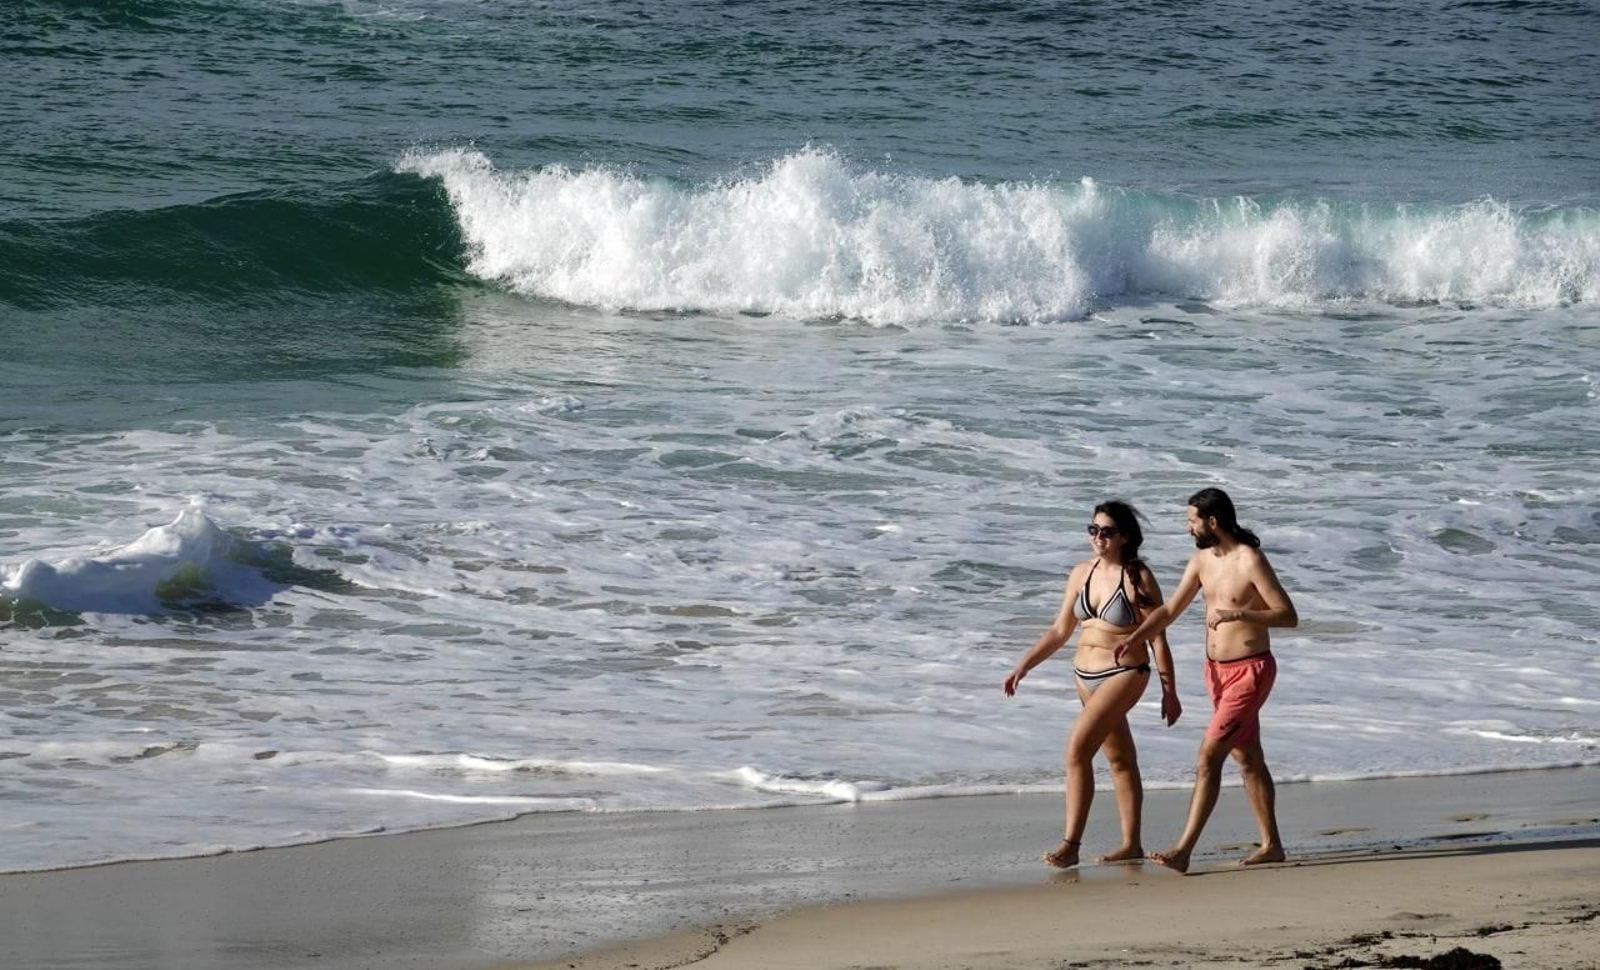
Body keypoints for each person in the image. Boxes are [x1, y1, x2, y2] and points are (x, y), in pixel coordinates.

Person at [1113, 487, 1298, 873]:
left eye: (1192, 521)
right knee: (1248, 759)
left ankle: (1183, 850)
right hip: (1216, 673)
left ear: (1213, 522)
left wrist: (1240, 616)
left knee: (1206, 758)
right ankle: (1272, 845)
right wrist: (1137, 636)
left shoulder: (1250, 560)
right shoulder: (1201, 560)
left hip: (1251, 670)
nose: (1188, 529)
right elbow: (1171, 608)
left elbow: (1287, 615)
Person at [1003, 500, 1181, 869]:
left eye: (1107, 531)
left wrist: (1170, 691)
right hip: (1084, 676)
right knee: (1119, 759)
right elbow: (1060, 630)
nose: (1098, 537)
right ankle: (1131, 843)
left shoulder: (1138, 576)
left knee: (1076, 751)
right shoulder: (1082, 572)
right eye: (1093, 530)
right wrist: (1025, 665)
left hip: (1125, 673)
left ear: (1125, 537)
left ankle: (1070, 844)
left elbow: (1158, 639)